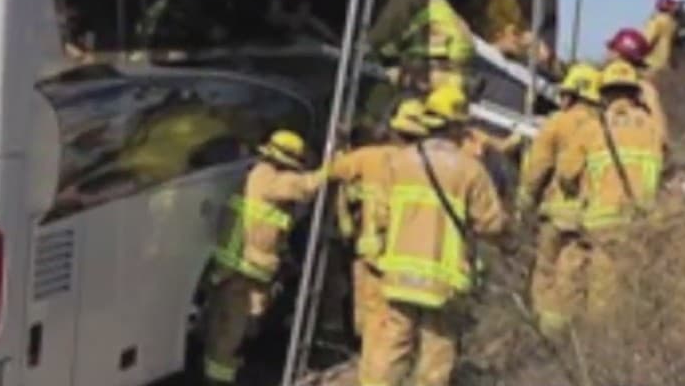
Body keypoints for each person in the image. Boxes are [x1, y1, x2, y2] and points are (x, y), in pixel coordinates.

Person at [356, 84, 509, 386]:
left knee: (390, 353)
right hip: (443, 283)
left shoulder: (397, 163)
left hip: (398, 277)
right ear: (460, 126)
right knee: (435, 361)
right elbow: (492, 224)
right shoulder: (470, 170)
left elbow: (379, 217)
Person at [202, 130, 326, 385]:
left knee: (240, 324)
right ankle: (218, 379)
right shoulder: (266, 177)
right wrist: (332, 169)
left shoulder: (258, 175)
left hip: (248, 268)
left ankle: (226, 372)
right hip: (242, 268)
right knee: (230, 330)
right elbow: (302, 188)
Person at [550, 60, 664, 328]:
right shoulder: (652, 129)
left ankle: (596, 349)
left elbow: (566, 173)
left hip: (603, 223)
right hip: (643, 223)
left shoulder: (592, 130)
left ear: (603, 94)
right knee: (636, 290)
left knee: (602, 296)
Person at [328, 99, 431, 341]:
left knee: (370, 318)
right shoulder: (427, 169)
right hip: (410, 259)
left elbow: (330, 173)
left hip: (370, 251)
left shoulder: (368, 157)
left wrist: (340, 150)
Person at [514, 63, 605, 336]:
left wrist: (523, 205)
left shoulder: (557, 122)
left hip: (555, 215)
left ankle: (547, 337)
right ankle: (580, 333)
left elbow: (537, 169)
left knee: (546, 274)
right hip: (591, 217)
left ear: (572, 95)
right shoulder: (604, 127)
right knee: (576, 277)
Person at [365, 0, 476, 95]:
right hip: (455, 54)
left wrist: (367, 46)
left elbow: (388, 24)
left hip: (442, 56)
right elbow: (406, 34)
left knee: (393, 93)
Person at [605, 28, 668, 152]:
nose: (607, 54)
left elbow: (661, 135)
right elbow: (662, 138)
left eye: (611, 50)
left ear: (619, 56)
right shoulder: (645, 90)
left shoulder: (644, 90)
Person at [643, 0, 680, 75]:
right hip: (667, 66)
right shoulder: (672, 22)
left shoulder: (656, 21)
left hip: (652, 66)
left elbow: (645, 41)